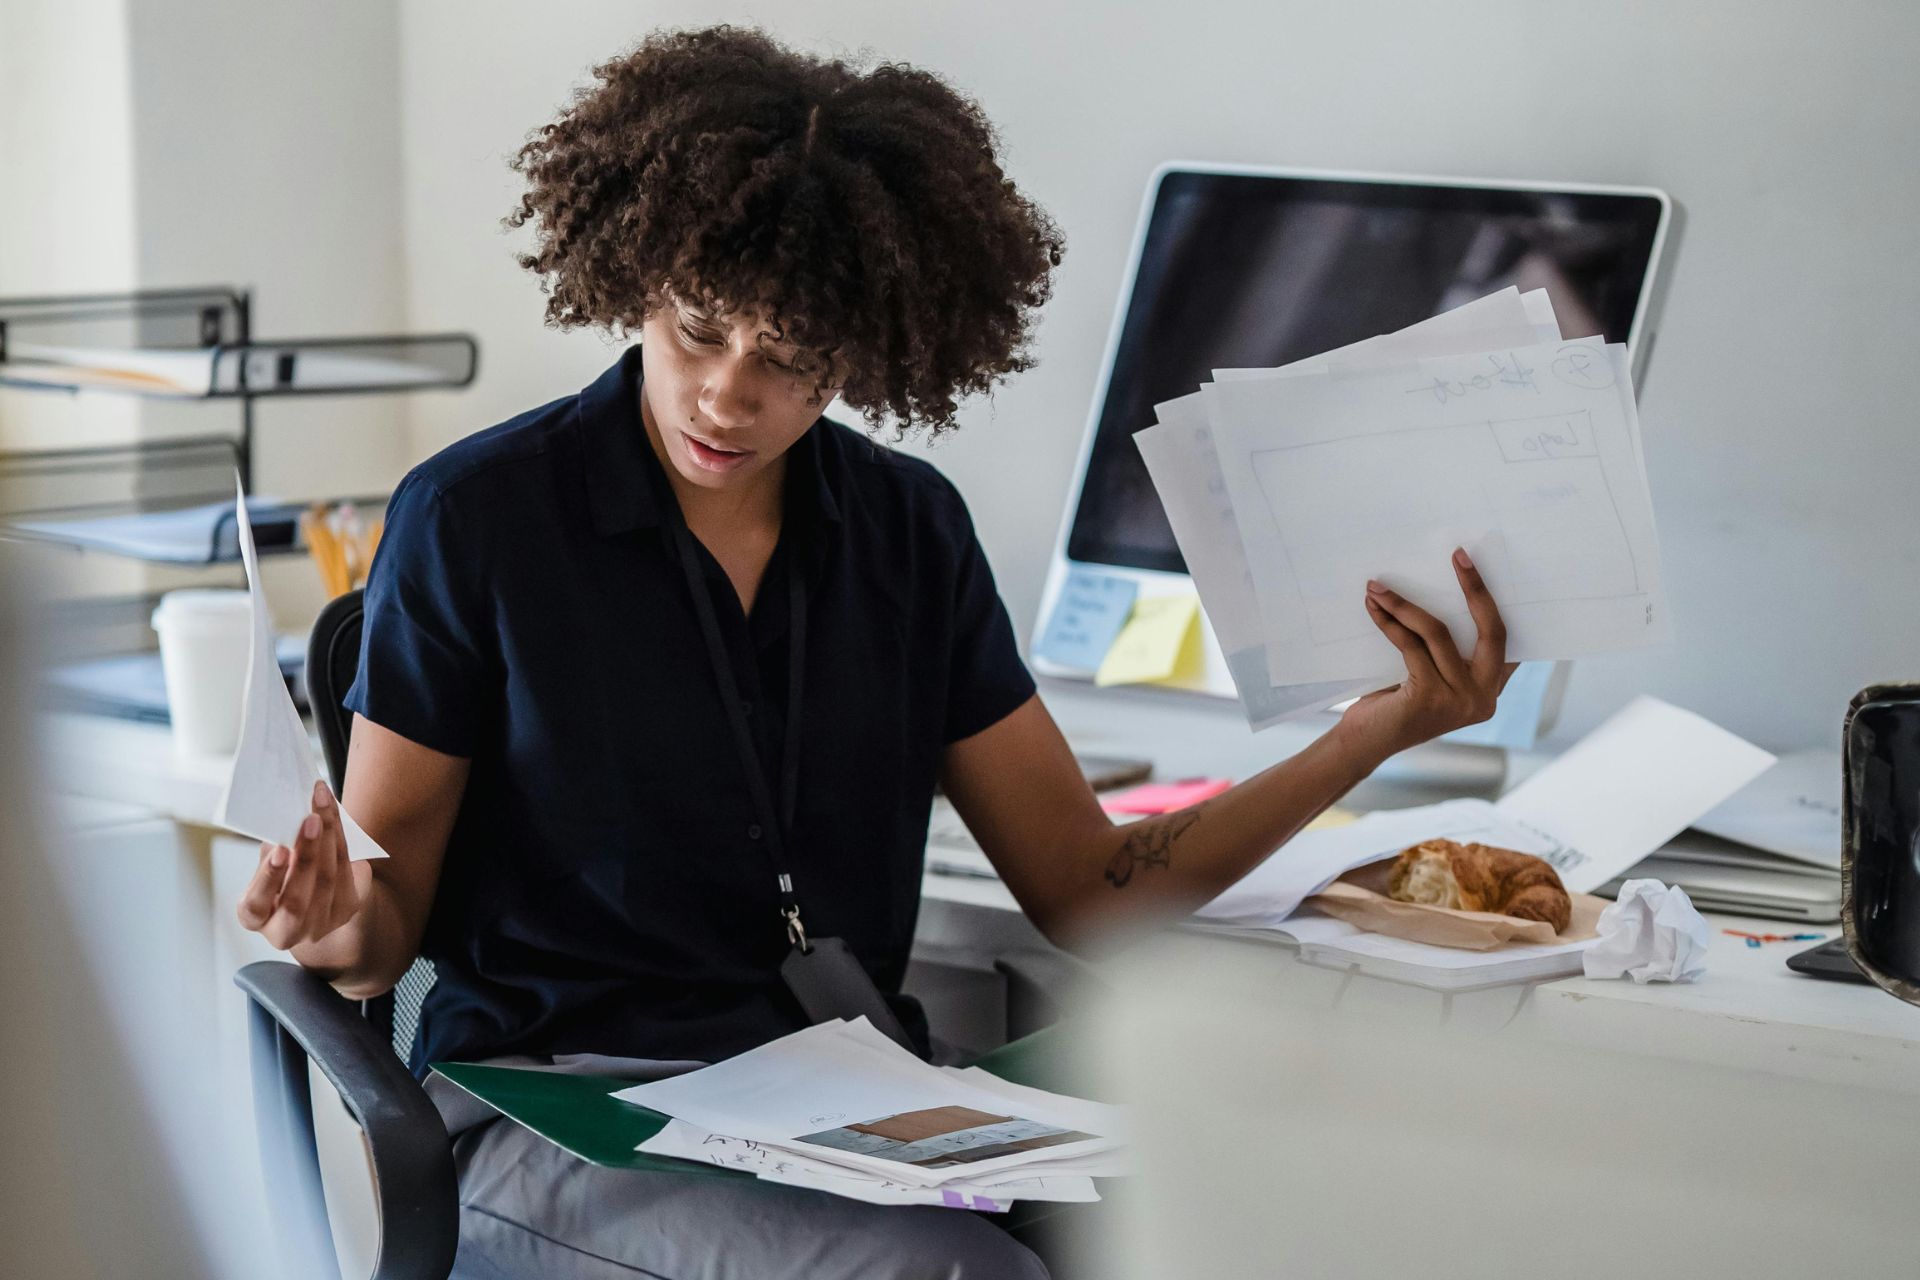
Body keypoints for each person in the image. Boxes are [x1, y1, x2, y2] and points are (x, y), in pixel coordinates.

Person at [235, 25, 1515, 1280]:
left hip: (840, 1100)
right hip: (556, 1115)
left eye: (790, 357)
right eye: (698, 328)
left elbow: (1087, 886)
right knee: (950, 1273)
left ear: (868, 348)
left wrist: (1376, 728)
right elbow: (382, 935)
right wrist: (333, 918)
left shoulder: (909, 530)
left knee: (1257, 1212)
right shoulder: (478, 519)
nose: (728, 394)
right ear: (637, 278)